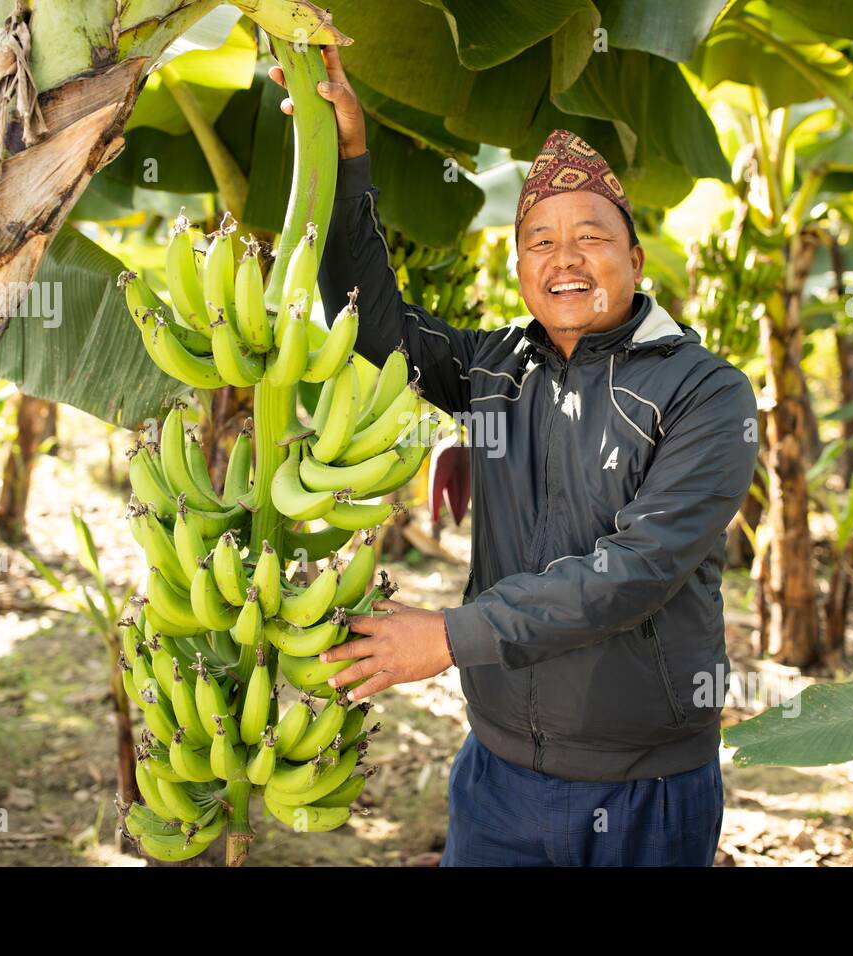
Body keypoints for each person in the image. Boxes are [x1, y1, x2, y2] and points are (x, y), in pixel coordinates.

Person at [271, 47, 758, 867]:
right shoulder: (498, 368)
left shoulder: (706, 393)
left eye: (590, 237)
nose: (564, 258)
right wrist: (348, 157)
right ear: (521, 266)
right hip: (498, 773)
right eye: (539, 240)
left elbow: (635, 571)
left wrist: (451, 637)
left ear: (635, 262)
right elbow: (371, 324)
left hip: (647, 784)